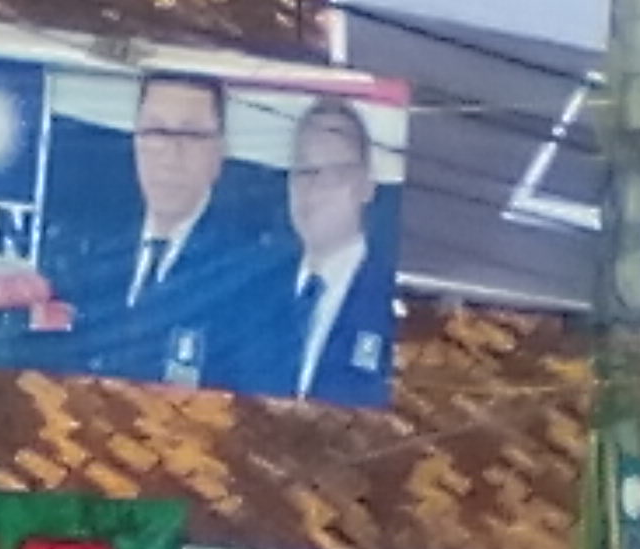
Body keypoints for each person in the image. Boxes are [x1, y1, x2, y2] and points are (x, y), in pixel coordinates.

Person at [61, 72, 274, 389]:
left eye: (192, 135)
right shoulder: (92, 252)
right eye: (156, 131)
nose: (171, 155)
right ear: (135, 141)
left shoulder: (246, 276)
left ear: (220, 152)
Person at [278, 97, 394, 408]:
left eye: (333, 173)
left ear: (366, 186)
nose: (312, 189)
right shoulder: (254, 295)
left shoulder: (389, 299)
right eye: (304, 171)